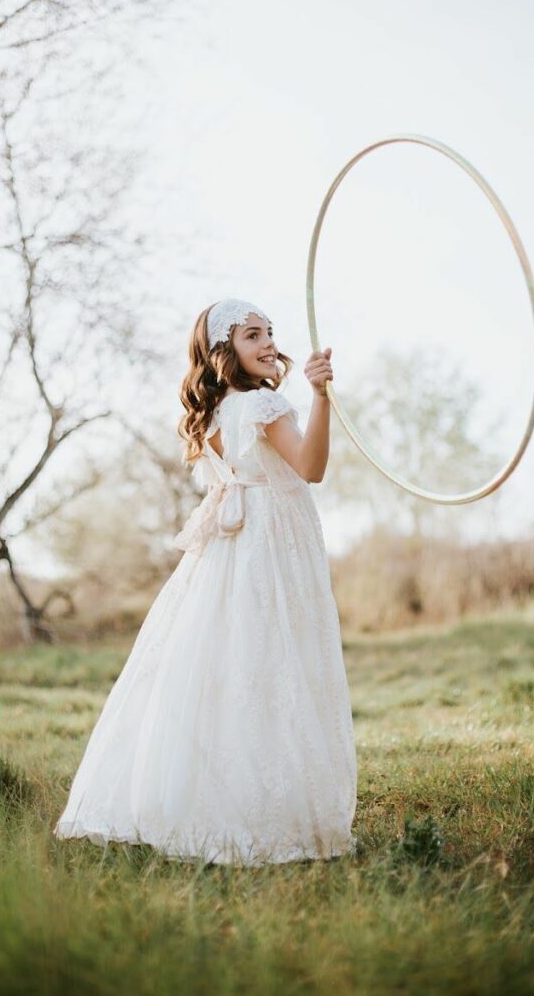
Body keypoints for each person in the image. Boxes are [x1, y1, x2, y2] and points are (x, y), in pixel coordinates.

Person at [53, 298, 358, 865]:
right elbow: (310, 469)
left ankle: (207, 801)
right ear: (224, 352)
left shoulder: (213, 415)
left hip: (227, 556)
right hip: (268, 550)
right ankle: (265, 810)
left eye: (270, 332)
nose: (268, 343)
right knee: (274, 666)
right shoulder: (265, 404)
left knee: (224, 668)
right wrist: (319, 398)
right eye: (251, 335)